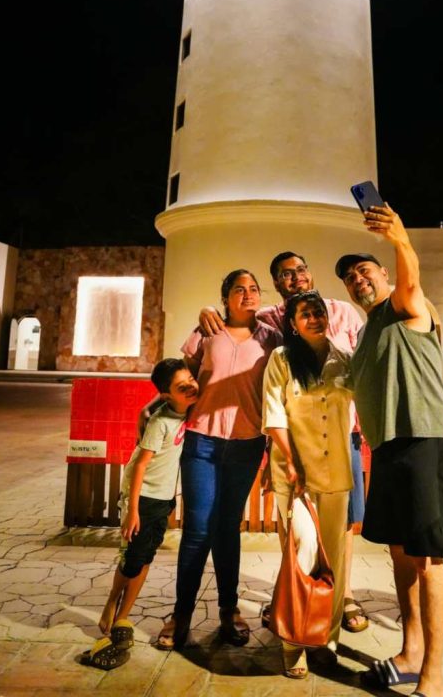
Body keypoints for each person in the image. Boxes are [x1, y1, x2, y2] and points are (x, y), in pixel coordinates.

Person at [196, 250, 369, 633]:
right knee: (295, 524)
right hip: (294, 440)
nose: (295, 278)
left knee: (341, 522)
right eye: (285, 274)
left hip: (343, 436)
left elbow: (364, 369)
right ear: (277, 284)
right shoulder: (272, 320)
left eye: (301, 269)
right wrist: (208, 308)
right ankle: (293, 591)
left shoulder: (342, 312)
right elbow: (236, 321)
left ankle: (343, 592)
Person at [335, 203, 443, 697]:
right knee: (401, 554)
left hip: (424, 438)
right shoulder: (366, 332)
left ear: (383, 274)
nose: (357, 279)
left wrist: (401, 239)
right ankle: (409, 654)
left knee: (427, 560)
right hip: (386, 446)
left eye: (364, 270)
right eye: (348, 277)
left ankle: (434, 675)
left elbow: (410, 278)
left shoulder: (407, 307)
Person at [156, 270, 282, 651]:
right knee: (197, 529)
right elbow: (182, 379)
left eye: (254, 289)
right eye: (239, 290)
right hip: (202, 441)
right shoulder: (205, 331)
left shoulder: (272, 339)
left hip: (247, 443)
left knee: (227, 527)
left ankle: (229, 610)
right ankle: (181, 614)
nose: (248, 295)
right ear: (225, 297)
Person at [262, 290, 355, 679]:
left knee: (334, 560)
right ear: (294, 322)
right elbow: (273, 412)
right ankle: (292, 642)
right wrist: (292, 461)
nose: (314, 318)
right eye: (305, 314)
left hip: (335, 474)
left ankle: (325, 639)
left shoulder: (343, 361)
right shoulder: (282, 359)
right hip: (294, 474)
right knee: (301, 551)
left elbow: (363, 404)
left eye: (318, 312)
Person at [84, 358, 198, 670]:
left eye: (191, 379)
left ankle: (121, 613)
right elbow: (140, 466)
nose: (190, 386)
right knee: (133, 559)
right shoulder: (160, 421)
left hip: (162, 499)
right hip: (143, 498)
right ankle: (115, 605)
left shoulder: (188, 409)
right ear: (167, 394)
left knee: (144, 557)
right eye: (181, 386)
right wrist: (132, 510)